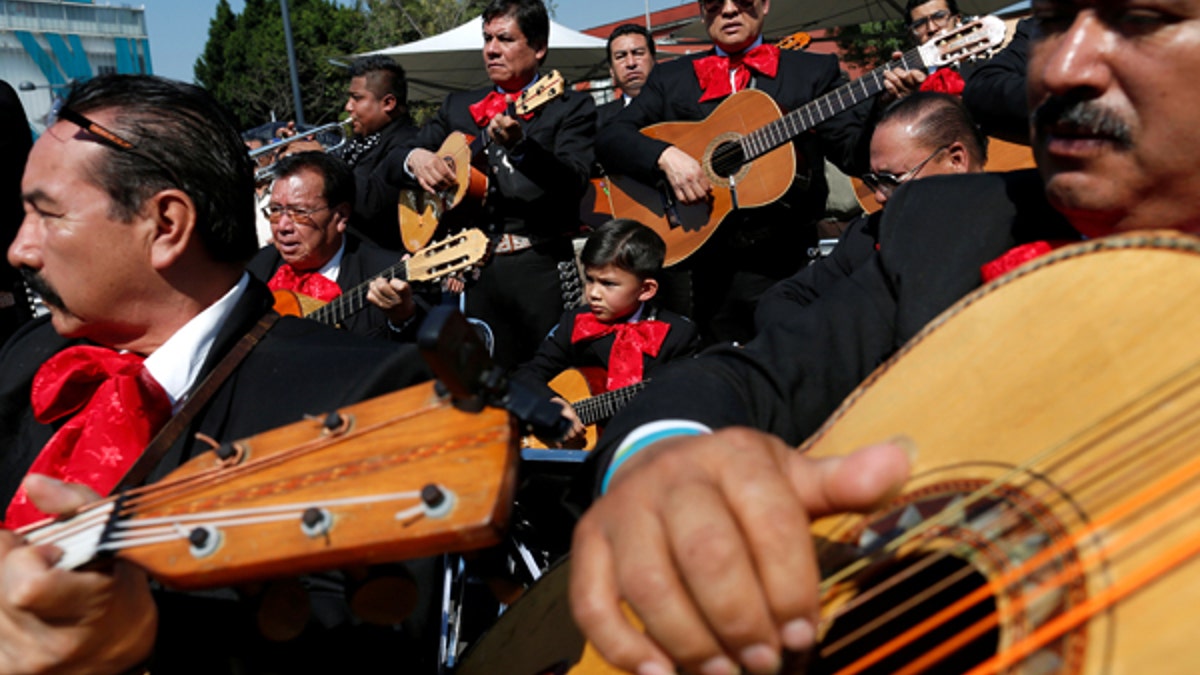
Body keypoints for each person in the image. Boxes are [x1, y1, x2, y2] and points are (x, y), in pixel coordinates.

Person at [568, 0, 1197, 672]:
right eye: (1050, 20)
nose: (1063, 67)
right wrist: (662, 458)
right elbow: (748, 376)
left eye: (1140, 16)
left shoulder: (817, 84)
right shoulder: (947, 221)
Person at [0, 74, 437, 674]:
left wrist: (142, 631)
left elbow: (370, 646)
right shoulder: (26, 355)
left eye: (47, 214)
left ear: (167, 226)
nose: (20, 249)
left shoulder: (369, 393)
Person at [594, 0, 920, 346]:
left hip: (788, 261)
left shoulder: (811, 70)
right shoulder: (672, 77)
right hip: (705, 265)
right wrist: (665, 156)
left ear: (764, 5)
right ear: (703, 11)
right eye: (716, 3)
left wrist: (884, 108)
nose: (730, 10)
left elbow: (853, 155)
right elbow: (611, 138)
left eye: (744, 1)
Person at [398, 0, 596, 371]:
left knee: (549, 379)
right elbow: (398, 154)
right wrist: (416, 159)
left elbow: (573, 181)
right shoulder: (458, 106)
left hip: (539, 269)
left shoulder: (570, 108)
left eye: (504, 39)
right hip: (470, 277)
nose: (491, 49)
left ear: (538, 48)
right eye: (487, 38)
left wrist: (522, 148)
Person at [755, 92, 988, 330]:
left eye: (891, 179)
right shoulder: (867, 235)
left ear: (956, 160)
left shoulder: (1015, 221)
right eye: (874, 180)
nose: (878, 195)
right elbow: (782, 299)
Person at [511, 218, 699, 446]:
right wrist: (552, 404)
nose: (593, 293)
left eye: (608, 284)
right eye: (589, 280)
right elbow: (526, 376)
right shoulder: (576, 321)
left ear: (646, 290)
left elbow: (686, 404)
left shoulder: (677, 334)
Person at [246, 151, 420, 340]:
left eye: (299, 212)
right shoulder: (256, 267)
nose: (282, 226)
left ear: (341, 216)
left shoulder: (389, 273)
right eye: (275, 211)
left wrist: (401, 320)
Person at [597, 23, 657, 128]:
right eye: (620, 56)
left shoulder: (678, 108)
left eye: (638, 53)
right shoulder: (597, 121)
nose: (630, 63)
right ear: (611, 70)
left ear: (654, 60)